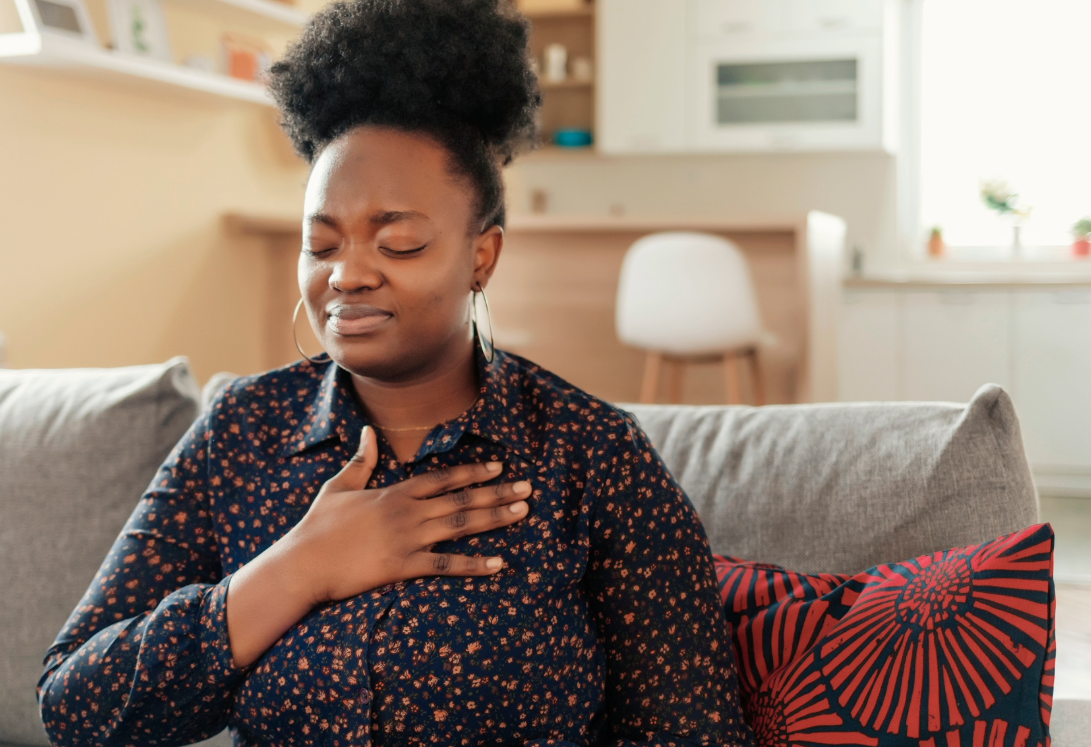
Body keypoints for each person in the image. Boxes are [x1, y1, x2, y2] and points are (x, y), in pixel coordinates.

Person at [37, 1, 754, 745]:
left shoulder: (592, 455)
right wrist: (297, 568)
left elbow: (691, 728)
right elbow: (74, 705)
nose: (347, 275)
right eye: (321, 245)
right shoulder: (242, 434)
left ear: (482, 255)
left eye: (400, 243)